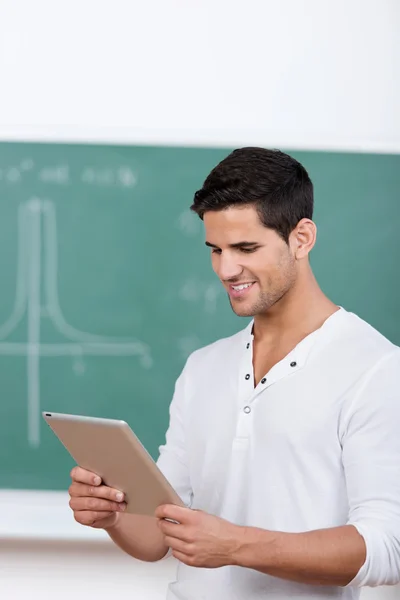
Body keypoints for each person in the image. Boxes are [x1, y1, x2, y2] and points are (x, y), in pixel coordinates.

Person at [68, 147, 400, 599]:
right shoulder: (204, 368)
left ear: (302, 238)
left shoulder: (376, 368)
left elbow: (386, 549)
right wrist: (114, 516)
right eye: (216, 249)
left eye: (246, 248)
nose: (226, 269)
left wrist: (237, 545)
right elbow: (160, 533)